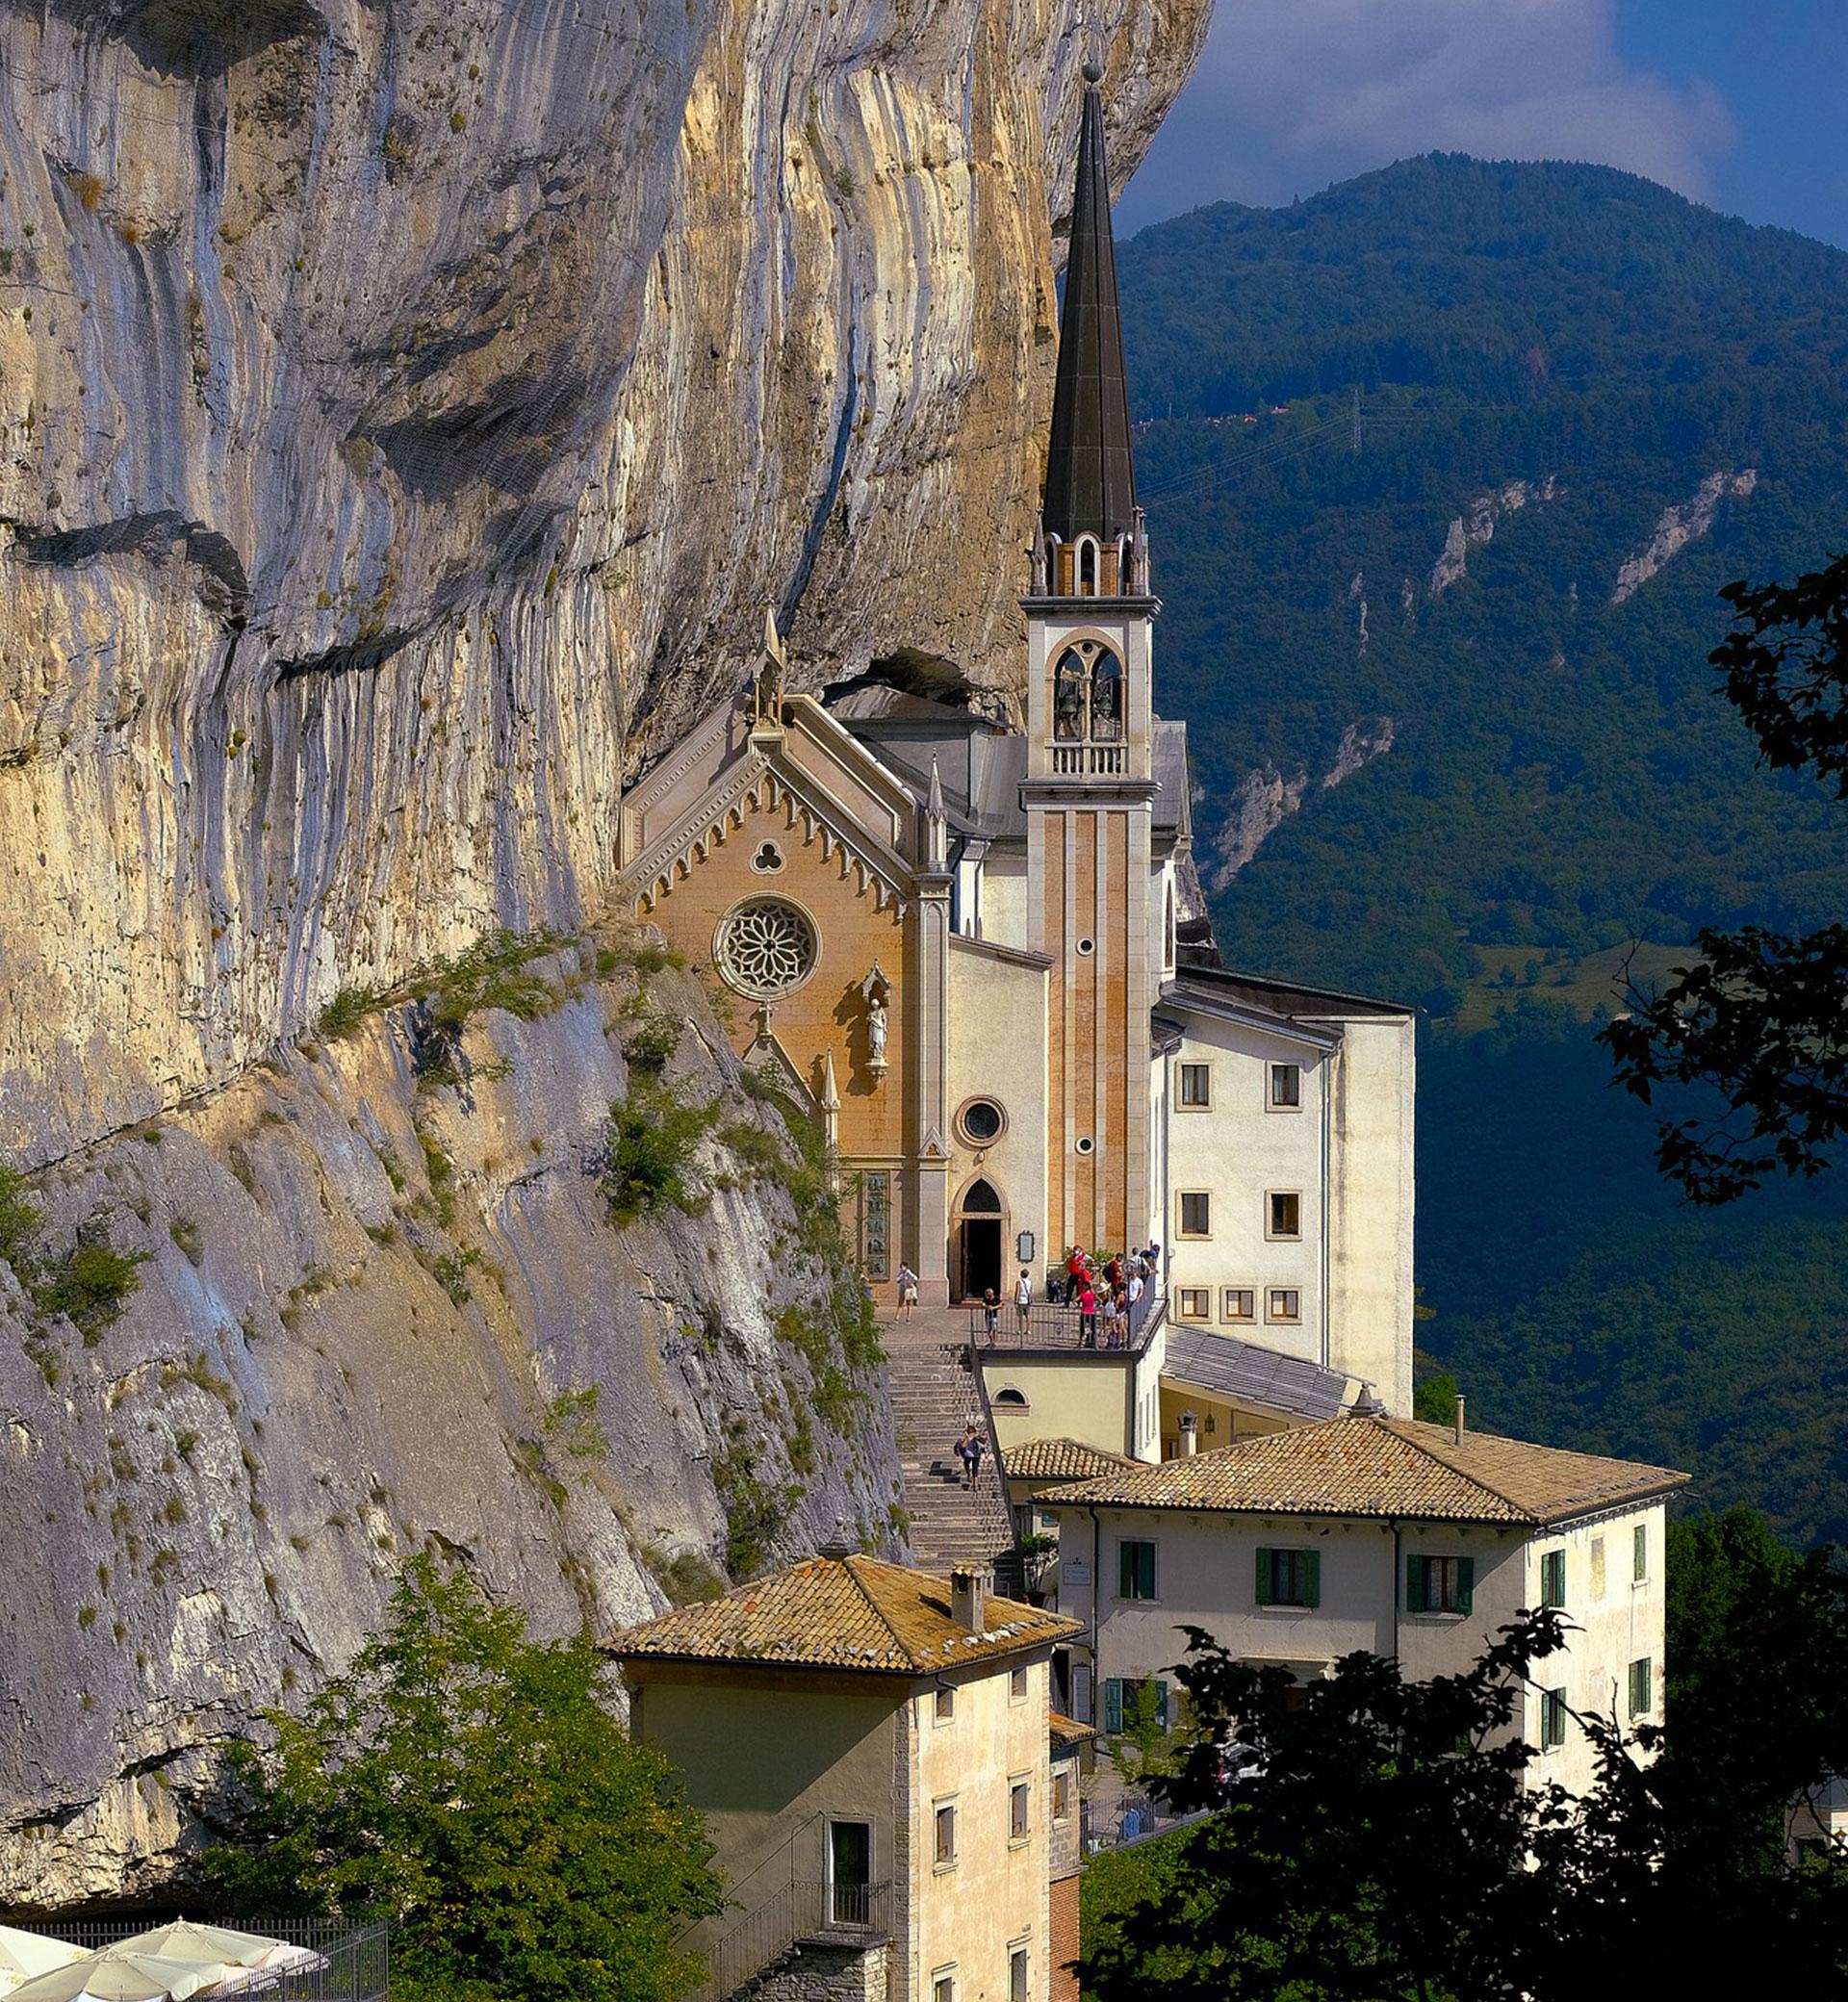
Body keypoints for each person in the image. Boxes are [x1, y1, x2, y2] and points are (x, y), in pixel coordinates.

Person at [964, 1424, 986, 1490]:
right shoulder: (977, 1437)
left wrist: (966, 1436)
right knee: (974, 1468)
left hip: (971, 1455)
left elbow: (963, 1445)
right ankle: (975, 1485)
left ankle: (970, 1478)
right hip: (975, 1455)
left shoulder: (969, 1437)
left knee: (969, 1465)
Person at [1077, 1279, 1098, 1348]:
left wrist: (1078, 1306)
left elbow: (1074, 1300)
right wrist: (1096, 1306)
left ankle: (1080, 1343)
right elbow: (1100, 1300)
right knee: (1093, 1329)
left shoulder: (1082, 1295)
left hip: (1084, 1312)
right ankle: (1095, 1344)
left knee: (1082, 1329)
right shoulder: (1092, 1295)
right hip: (1091, 1312)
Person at [1014, 1268, 1034, 1334]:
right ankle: (1028, 1330)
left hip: (1021, 1300)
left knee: (1021, 1316)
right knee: (1028, 1315)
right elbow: (1030, 1292)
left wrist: (1016, 1301)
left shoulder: (1019, 1282)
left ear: (1021, 1274)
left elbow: (1018, 1291)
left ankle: (1020, 1329)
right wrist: (1030, 1299)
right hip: (1027, 1300)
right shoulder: (1029, 1282)